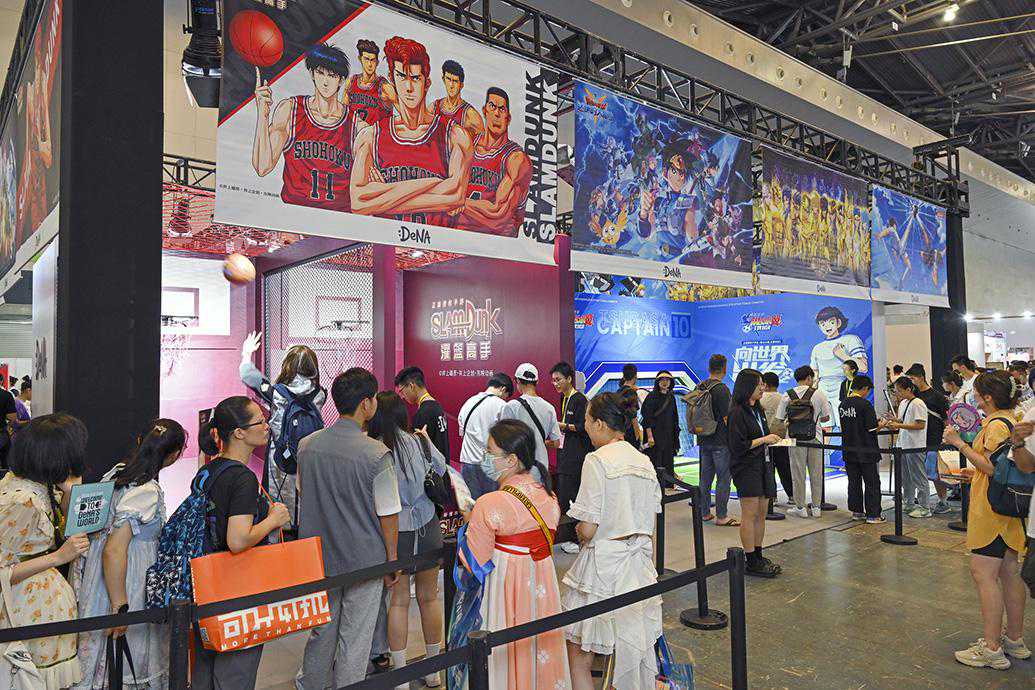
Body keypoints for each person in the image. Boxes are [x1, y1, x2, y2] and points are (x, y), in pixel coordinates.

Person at [295, 368, 402, 690]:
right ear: (367, 404)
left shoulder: (307, 446)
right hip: (364, 560)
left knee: (322, 630)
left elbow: (303, 492)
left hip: (318, 557)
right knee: (356, 637)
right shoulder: (376, 454)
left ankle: (312, 684)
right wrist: (392, 560)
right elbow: (388, 513)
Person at [448, 420, 569, 690]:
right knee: (539, 648)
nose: (485, 458)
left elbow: (475, 562)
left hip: (504, 588)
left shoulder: (489, 503)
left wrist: (470, 522)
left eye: (490, 452)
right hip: (543, 584)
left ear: (512, 459)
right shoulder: (549, 497)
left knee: (504, 651)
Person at [73, 419, 187, 690]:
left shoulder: (116, 473)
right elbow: (115, 549)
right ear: (173, 455)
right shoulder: (145, 491)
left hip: (101, 577)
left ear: (140, 441)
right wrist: (120, 605)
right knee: (127, 653)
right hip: (127, 580)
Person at [564, 390, 662, 690]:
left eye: (587, 421)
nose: (585, 427)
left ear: (600, 424)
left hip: (602, 567)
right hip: (638, 567)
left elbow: (588, 528)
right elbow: (652, 521)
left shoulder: (596, 460)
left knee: (580, 653)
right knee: (631, 646)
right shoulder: (643, 461)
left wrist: (579, 532)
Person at [191, 397, 290, 690]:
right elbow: (237, 540)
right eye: (260, 421)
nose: (267, 426)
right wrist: (273, 519)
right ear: (239, 433)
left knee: (205, 668)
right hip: (237, 586)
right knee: (236, 671)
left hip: (206, 582)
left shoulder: (208, 470)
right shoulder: (243, 478)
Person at [943, 371, 1028, 670]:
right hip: (1010, 511)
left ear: (988, 397)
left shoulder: (995, 425)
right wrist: (975, 470)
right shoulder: (1014, 418)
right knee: (1010, 573)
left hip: (992, 512)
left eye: (978, 393)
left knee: (984, 575)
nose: (975, 397)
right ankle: (1014, 640)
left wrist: (959, 443)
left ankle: (992, 648)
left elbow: (992, 468)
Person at [0, 414, 91, 689]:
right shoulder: (22, 500)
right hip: (27, 609)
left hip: (40, 606)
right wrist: (58, 557)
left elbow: (67, 526)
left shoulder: (32, 485)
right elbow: (3, 571)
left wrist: (70, 493)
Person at [366, 392, 445, 690]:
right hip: (428, 526)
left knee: (397, 602)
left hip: (395, 531)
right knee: (429, 597)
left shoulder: (374, 448)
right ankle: (434, 672)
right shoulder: (420, 440)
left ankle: (400, 677)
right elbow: (440, 468)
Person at [349, 36, 473, 224]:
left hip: (436, 242)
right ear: (392, 79)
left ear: (426, 83)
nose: (408, 87)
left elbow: (455, 195)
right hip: (386, 240)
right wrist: (433, 183)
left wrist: (384, 198)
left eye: (415, 78)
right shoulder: (371, 136)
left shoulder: (454, 136)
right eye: (401, 77)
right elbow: (359, 202)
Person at [252, 43, 357, 211]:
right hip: (293, 214)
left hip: (338, 217)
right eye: (320, 73)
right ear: (312, 74)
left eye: (332, 76)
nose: (325, 82)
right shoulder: (290, 110)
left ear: (341, 80)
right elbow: (262, 167)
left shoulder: (356, 124)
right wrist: (263, 115)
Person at [240, 331, 325, 533]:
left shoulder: (277, 393)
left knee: (276, 496)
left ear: (288, 366)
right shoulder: (320, 394)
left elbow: (249, 376)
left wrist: (247, 354)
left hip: (279, 460)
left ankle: (279, 530)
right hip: (310, 459)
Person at [727, 369, 783, 577]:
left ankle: (758, 555)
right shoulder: (737, 413)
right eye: (759, 384)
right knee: (749, 514)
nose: (763, 387)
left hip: (763, 464)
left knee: (761, 513)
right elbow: (738, 446)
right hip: (746, 467)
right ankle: (750, 559)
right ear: (747, 386)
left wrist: (770, 439)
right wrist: (764, 439)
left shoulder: (757, 409)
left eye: (762, 384)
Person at [777, 366, 833, 519]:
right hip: (815, 436)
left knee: (797, 473)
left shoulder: (787, 395)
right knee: (816, 473)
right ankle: (816, 507)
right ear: (809, 378)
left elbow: (780, 418)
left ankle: (800, 507)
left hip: (794, 438)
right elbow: (826, 418)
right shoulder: (819, 394)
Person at [550, 362, 590, 554]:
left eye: (558, 379)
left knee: (572, 497)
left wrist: (562, 426)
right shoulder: (563, 398)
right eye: (553, 380)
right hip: (564, 454)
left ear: (569, 379)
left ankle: (577, 538)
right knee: (565, 497)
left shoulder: (580, 400)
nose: (555, 383)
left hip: (576, 457)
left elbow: (583, 427)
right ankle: (572, 536)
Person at [458, 372, 513, 500]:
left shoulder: (469, 402)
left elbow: (462, 434)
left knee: (472, 506)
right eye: (506, 396)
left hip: (467, 462)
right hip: (490, 466)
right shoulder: (502, 406)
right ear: (503, 389)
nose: (505, 399)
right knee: (491, 506)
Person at [838, 376, 885, 523]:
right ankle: (873, 515)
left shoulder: (843, 404)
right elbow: (872, 428)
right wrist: (882, 424)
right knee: (872, 482)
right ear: (865, 388)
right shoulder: (865, 404)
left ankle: (857, 512)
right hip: (866, 449)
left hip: (849, 449)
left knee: (854, 482)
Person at [882, 377, 931, 518]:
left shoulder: (918, 403)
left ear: (908, 389)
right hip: (903, 445)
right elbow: (904, 420)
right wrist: (895, 420)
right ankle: (909, 503)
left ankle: (925, 507)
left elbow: (920, 425)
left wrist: (899, 425)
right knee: (906, 478)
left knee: (919, 477)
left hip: (915, 446)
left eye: (899, 390)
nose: (897, 393)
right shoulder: (903, 403)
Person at [697, 354, 737, 526]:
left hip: (703, 438)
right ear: (724, 368)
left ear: (709, 367)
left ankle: (704, 512)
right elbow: (727, 416)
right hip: (720, 440)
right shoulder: (722, 389)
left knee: (704, 479)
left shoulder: (700, 386)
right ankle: (722, 516)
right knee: (723, 478)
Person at [907, 363, 952, 514]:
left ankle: (943, 500)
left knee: (935, 472)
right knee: (917, 471)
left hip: (934, 439)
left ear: (921, 378)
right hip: (916, 439)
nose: (911, 382)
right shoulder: (913, 397)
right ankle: (919, 500)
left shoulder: (937, 397)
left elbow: (946, 420)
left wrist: (946, 437)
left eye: (912, 378)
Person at [500, 364, 561, 474]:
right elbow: (556, 443)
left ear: (518, 381)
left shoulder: (512, 406)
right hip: (541, 467)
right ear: (537, 382)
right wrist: (539, 441)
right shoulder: (549, 408)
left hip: (519, 468)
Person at [395, 366, 450, 460]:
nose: (402, 396)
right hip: (443, 465)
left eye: (401, 391)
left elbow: (417, 454)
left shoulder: (423, 414)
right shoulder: (437, 407)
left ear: (411, 386)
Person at [641, 371, 680, 489]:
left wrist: (675, 439)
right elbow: (646, 418)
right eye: (662, 380)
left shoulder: (671, 397)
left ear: (671, 382)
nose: (664, 382)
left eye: (667, 380)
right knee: (655, 464)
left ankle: (667, 488)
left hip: (668, 438)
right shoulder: (651, 397)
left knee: (667, 463)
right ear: (657, 382)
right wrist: (650, 436)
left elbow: (675, 419)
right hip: (655, 438)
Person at [759, 372, 793, 506]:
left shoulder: (760, 398)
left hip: (764, 439)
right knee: (785, 468)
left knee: (768, 469)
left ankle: (771, 497)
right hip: (781, 439)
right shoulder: (784, 398)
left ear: (765, 384)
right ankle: (792, 496)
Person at [343, 38, 395, 125]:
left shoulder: (385, 87)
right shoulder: (351, 82)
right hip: (353, 132)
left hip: (377, 133)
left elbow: (405, 115)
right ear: (360, 59)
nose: (370, 64)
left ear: (377, 62)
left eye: (373, 60)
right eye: (366, 59)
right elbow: (343, 114)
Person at [432, 59, 483, 141]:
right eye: (448, 79)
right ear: (443, 79)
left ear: (461, 85)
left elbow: (482, 145)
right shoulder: (434, 107)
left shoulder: (470, 115)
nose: (451, 85)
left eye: (455, 81)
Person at [618, 363, 646, 447]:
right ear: (635, 376)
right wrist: (638, 436)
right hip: (630, 433)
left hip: (621, 431)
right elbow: (633, 416)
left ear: (624, 376)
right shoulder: (631, 393)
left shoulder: (618, 391)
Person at [0, 382, 16, 469]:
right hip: (1, 433)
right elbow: (12, 417)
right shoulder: (6, 395)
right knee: (5, 464)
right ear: (1, 382)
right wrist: (9, 426)